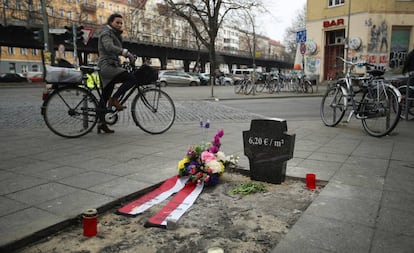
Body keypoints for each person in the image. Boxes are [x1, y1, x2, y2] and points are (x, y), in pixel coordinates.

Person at [97, 13, 138, 134]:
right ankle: (114, 99)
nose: (120, 25)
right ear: (110, 22)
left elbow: (114, 52)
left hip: (112, 66)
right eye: (117, 22)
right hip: (107, 66)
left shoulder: (114, 34)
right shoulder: (106, 32)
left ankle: (101, 123)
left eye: (121, 23)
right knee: (132, 79)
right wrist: (126, 53)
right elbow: (109, 47)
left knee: (104, 96)